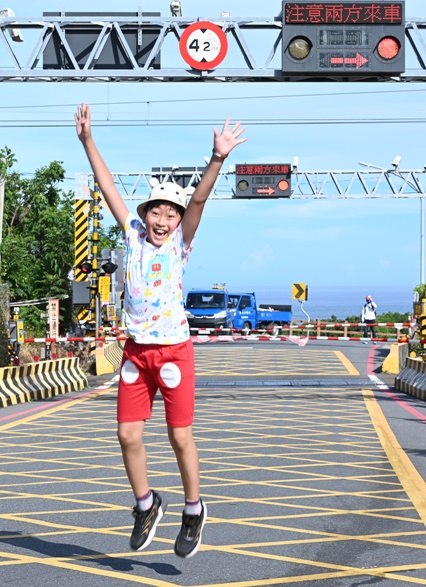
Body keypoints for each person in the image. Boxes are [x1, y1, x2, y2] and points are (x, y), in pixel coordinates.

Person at [74, 102, 246, 559]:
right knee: (127, 435)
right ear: (145, 213)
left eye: (171, 214)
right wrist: (88, 140)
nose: (163, 221)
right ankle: (146, 505)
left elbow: (200, 201)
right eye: (157, 213)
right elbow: (108, 186)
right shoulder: (132, 235)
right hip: (136, 353)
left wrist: (217, 158)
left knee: (178, 437)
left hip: (173, 352)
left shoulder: (181, 245)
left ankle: (193, 509)